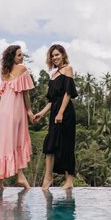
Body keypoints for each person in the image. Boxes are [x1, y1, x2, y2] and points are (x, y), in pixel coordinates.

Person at [34, 44, 78, 190]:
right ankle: (48, 177)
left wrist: (60, 112)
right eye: (53, 56)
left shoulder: (68, 69)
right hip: (54, 113)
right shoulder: (53, 75)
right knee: (50, 145)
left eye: (57, 54)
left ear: (63, 55)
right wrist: (42, 113)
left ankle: (69, 180)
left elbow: (68, 93)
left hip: (65, 113)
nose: (55, 58)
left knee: (66, 145)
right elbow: (52, 101)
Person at [0, 45, 35, 189]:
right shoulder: (22, 70)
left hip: (2, 111)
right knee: (17, 139)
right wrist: (29, 110)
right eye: (19, 55)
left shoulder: (3, 72)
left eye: (22, 54)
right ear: (13, 57)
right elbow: (25, 93)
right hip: (16, 110)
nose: (22, 57)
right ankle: (20, 176)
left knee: (4, 142)